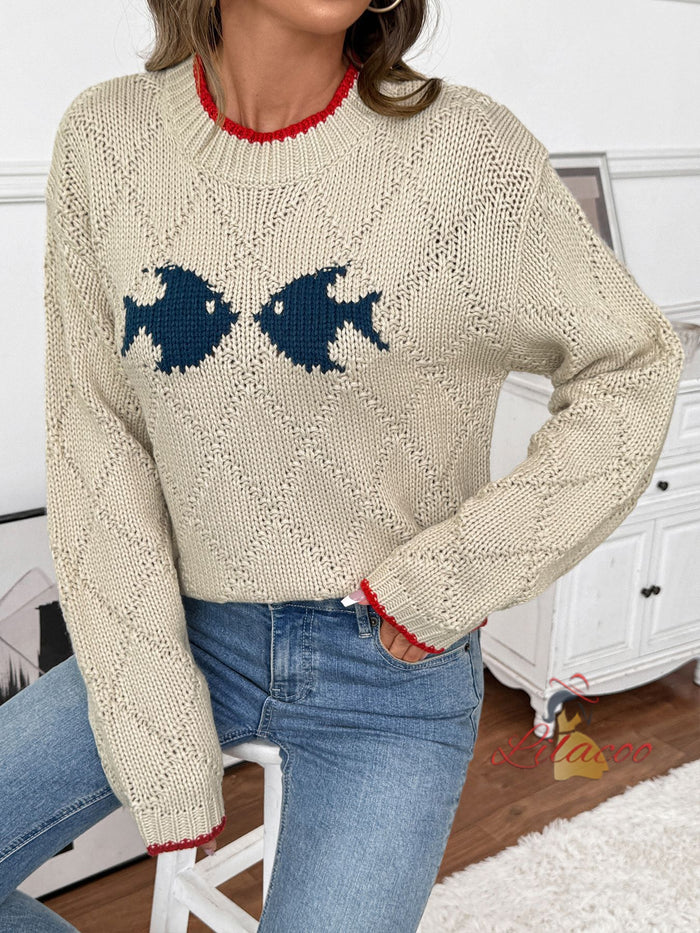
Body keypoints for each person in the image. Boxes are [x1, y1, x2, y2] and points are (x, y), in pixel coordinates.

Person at [0, 0, 684, 930]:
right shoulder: (106, 139)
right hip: (180, 627)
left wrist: (452, 577)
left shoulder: (468, 154)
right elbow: (97, 437)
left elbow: (632, 364)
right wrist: (154, 726)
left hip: (388, 668)